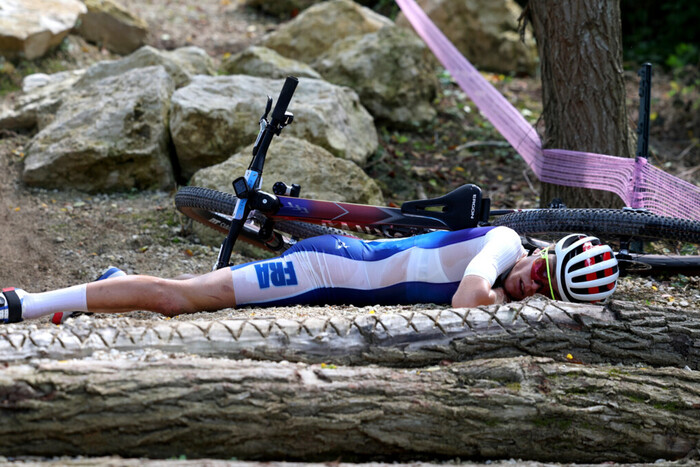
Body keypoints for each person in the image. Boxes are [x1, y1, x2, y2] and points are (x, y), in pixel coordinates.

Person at [0, 226, 619, 324]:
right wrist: (504, 302)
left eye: (546, 290)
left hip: (336, 274)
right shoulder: (506, 243)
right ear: (544, 251)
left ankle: (116, 281)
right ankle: (23, 302)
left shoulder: (520, 276)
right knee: (178, 301)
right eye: (543, 272)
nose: (531, 285)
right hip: (322, 266)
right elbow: (465, 299)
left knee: (177, 292)